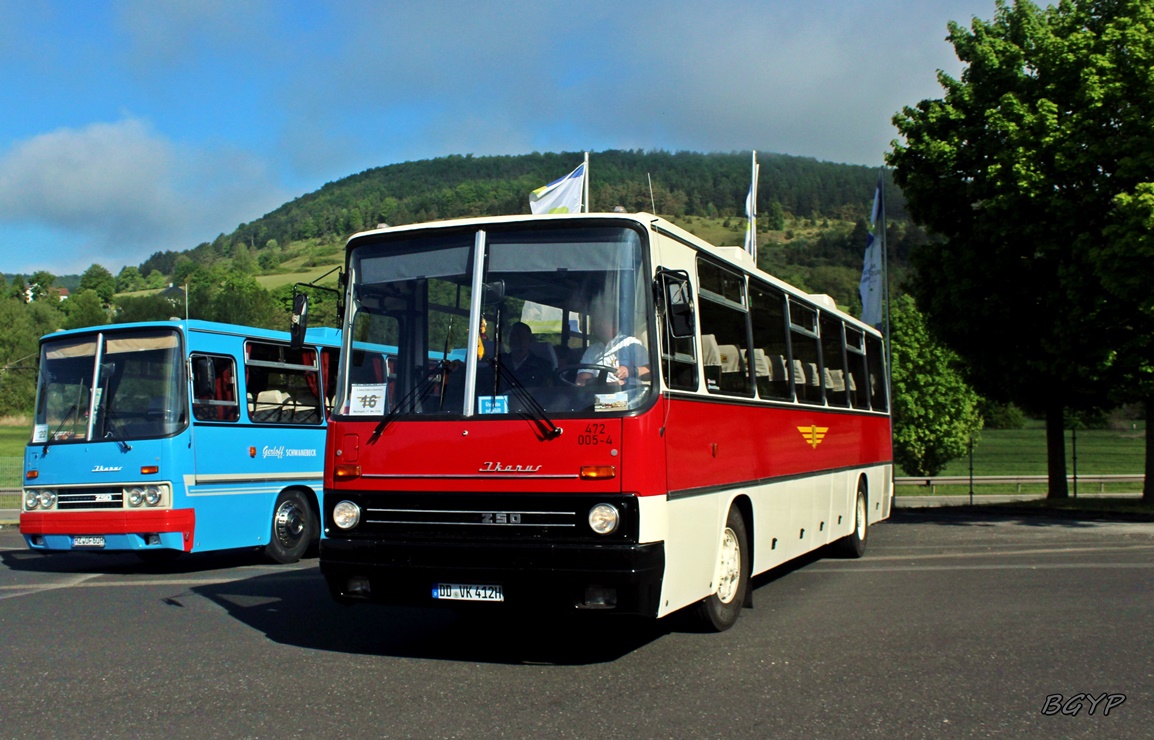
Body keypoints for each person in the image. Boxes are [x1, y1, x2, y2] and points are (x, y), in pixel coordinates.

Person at [576, 305, 650, 386]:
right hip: (598, 395)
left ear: (615, 322)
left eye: (602, 320)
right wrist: (609, 385)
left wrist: (631, 371)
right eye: (595, 321)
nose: (597, 325)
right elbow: (581, 381)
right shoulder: (592, 350)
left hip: (629, 395)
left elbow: (650, 372)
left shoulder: (631, 344)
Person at [499, 322, 553, 387]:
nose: (515, 339)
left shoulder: (543, 366)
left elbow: (547, 393)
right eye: (512, 336)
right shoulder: (499, 362)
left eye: (520, 336)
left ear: (530, 340)